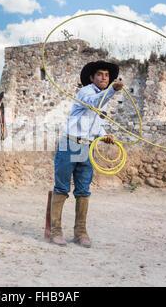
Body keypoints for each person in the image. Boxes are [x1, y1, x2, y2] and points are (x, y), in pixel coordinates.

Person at [50, 60, 123, 248]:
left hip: (88, 147)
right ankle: (55, 232)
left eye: (106, 76)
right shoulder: (86, 93)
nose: (104, 78)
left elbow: (97, 123)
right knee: (61, 188)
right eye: (99, 75)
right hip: (70, 143)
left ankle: (80, 232)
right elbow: (93, 103)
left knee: (83, 191)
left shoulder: (103, 98)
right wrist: (113, 91)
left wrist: (104, 135)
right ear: (92, 77)